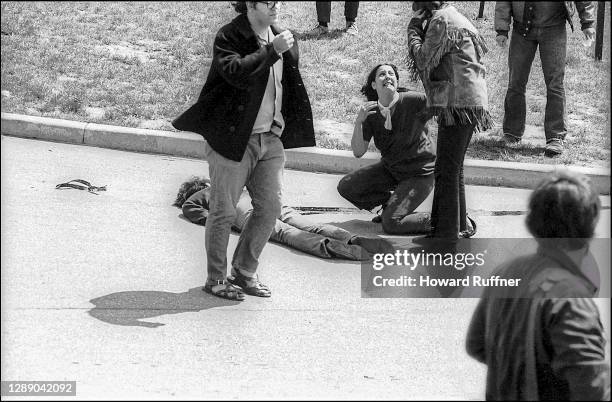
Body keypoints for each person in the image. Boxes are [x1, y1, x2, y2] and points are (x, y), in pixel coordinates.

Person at [171, 1, 315, 301]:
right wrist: (271, 50)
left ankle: (244, 271)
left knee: (271, 208)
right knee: (223, 211)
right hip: (233, 138)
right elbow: (235, 72)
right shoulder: (230, 36)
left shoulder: (283, 36)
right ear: (250, 4)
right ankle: (215, 279)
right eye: (269, 1)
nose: (276, 6)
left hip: (270, 139)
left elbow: (288, 84)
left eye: (279, 1)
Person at [466, 169, 610, 400]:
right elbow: (592, 388)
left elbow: (477, 345)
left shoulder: (504, 273)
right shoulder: (570, 297)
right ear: (589, 228)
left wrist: (519, 371)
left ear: (533, 222)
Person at [406, 1, 492, 239]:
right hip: (468, 99)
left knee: (446, 169)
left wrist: (414, 26)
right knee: (453, 169)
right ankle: (456, 226)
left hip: (458, 101)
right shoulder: (455, 16)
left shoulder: (441, 20)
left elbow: (423, 59)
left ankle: (445, 234)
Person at [173, 176, 381, 261]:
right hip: (266, 199)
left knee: (285, 233)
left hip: (242, 209)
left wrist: (221, 220)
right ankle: (351, 238)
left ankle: (337, 248)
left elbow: (189, 208)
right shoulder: (227, 179)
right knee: (306, 223)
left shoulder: (200, 195)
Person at [337, 63, 436, 235]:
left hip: (420, 174)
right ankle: (390, 205)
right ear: (374, 85)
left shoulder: (414, 100)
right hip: (392, 169)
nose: (388, 77)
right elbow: (358, 151)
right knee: (347, 186)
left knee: (391, 224)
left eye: (391, 74)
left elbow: (442, 105)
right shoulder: (371, 112)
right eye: (382, 74)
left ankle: (447, 218)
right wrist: (359, 122)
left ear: (397, 82)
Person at [495, 2, 596, 157]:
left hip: (554, 28)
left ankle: (556, 137)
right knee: (516, 81)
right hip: (522, 29)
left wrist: (587, 22)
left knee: (555, 83)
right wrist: (502, 28)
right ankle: (511, 132)